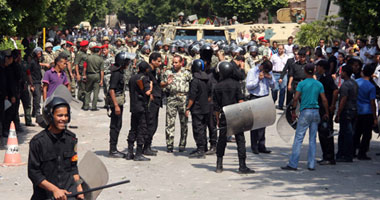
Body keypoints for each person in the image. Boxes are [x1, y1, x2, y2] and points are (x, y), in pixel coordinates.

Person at [28, 97, 84, 200]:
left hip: (68, 194)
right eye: (60, 115)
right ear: (50, 116)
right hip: (46, 196)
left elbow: (73, 167)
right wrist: (54, 190)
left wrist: (79, 187)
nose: (64, 119)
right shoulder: (37, 142)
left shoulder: (71, 139)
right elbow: (34, 173)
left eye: (66, 115)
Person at [281, 63, 329, 171]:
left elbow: (295, 98)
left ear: (305, 72)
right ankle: (311, 164)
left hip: (305, 112)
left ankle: (293, 164)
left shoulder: (301, 84)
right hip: (316, 112)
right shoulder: (318, 84)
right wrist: (326, 112)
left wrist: (293, 111)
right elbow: (324, 100)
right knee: (312, 139)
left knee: (299, 138)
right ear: (314, 71)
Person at [214, 61, 254, 174]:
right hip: (236, 114)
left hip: (224, 116)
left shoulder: (217, 86)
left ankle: (219, 165)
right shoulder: (236, 84)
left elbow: (216, 107)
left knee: (221, 140)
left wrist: (217, 119)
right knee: (240, 140)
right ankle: (242, 166)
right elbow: (240, 100)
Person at [161, 55, 192, 153]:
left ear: (181, 63)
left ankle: (182, 144)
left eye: (176, 62)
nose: (174, 64)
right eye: (173, 62)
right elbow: (162, 85)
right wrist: (167, 83)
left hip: (183, 98)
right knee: (170, 122)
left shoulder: (187, 73)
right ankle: (169, 144)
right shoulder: (168, 72)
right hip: (172, 98)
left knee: (184, 123)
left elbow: (192, 86)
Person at [246, 60, 275, 154]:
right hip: (255, 97)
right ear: (261, 66)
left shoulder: (269, 72)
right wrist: (258, 79)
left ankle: (261, 145)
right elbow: (249, 86)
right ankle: (254, 146)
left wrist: (270, 78)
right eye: (266, 70)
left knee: (263, 122)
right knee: (255, 123)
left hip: (265, 97)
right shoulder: (252, 71)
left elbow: (274, 86)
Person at [127, 61, 152, 161]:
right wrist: (151, 86)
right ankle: (138, 153)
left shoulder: (132, 78)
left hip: (134, 106)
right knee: (142, 129)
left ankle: (129, 152)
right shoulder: (144, 78)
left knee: (133, 129)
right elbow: (147, 92)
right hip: (142, 107)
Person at [185, 59, 210, 158]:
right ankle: (203, 147)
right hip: (205, 107)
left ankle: (200, 149)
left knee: (197, 129)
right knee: (203, 128)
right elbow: (209, 94)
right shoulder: (207, 79)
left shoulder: (195, 80)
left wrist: (188, 108)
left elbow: (192, 97)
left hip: (197, 108)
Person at [315, 60, 338, 165]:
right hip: (323, 108)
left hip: (326, 109)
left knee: (326, 133)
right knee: (323, 133)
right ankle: (326, 156)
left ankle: (329, 157)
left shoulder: (327, 78)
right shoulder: (323, 77)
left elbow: (335, 90)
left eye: (318, 67)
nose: (316, 69)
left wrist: (332, 105)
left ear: (322, 67)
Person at [353, 64, 377, 160]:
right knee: (366, 134)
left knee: (357, 132)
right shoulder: (371, 87)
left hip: (357, 110)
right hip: (367, 112)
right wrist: (374, 117)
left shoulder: (356, 82)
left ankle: (353, 150)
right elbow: (372, 102)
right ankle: (362, 153)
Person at [335, 64, 358, 162]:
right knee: (350, 133)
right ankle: (348, 153)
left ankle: (345, 154)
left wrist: (338, 114)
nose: (341, 74)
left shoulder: (345, 85)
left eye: (342, 72)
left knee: (345, 134)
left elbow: (343, 100)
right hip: (354, 109)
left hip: (347, 110)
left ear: (345, 72)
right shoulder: (354, 83)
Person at [144, 52, 163, 155]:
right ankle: (145, 147)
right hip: (151, 101)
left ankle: (148, 145)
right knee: (150, 123)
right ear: (153, 61)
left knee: (154, 124)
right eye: (158, 61)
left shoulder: (155, 71)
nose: (160, 63)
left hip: (156, 100)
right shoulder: (148, 71)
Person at [82, 45, 104, 111]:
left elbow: (85, 68)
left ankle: (86, 105)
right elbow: (102, 71)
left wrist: (84, 75)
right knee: (96, 92)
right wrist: (101, 80)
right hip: (97, 75)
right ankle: (94, 106)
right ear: (99, 51)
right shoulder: (100, 59)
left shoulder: (88, 58)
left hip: (89, 75)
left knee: (87, 91)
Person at [270, 44, 288, 110]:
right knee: (274, 89)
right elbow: (270, 65)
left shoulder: (287, 57)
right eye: (279, 49)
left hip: (284, 75)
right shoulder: (274, 56)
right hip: (275, 74)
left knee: (283, 90)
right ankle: (273, 102)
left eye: (281, 49)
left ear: (283, 49)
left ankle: (280, 105)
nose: (280, 50)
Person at [30, 47, 44, 117]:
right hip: (34, 82)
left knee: (37, 98)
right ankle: (37, 112)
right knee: (37, 98)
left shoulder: (37, 62)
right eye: (38, 53)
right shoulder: (32, 62)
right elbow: (29, 74)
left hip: (38, 82)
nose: (40, 55)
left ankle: (34, 112)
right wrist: (31, 84)